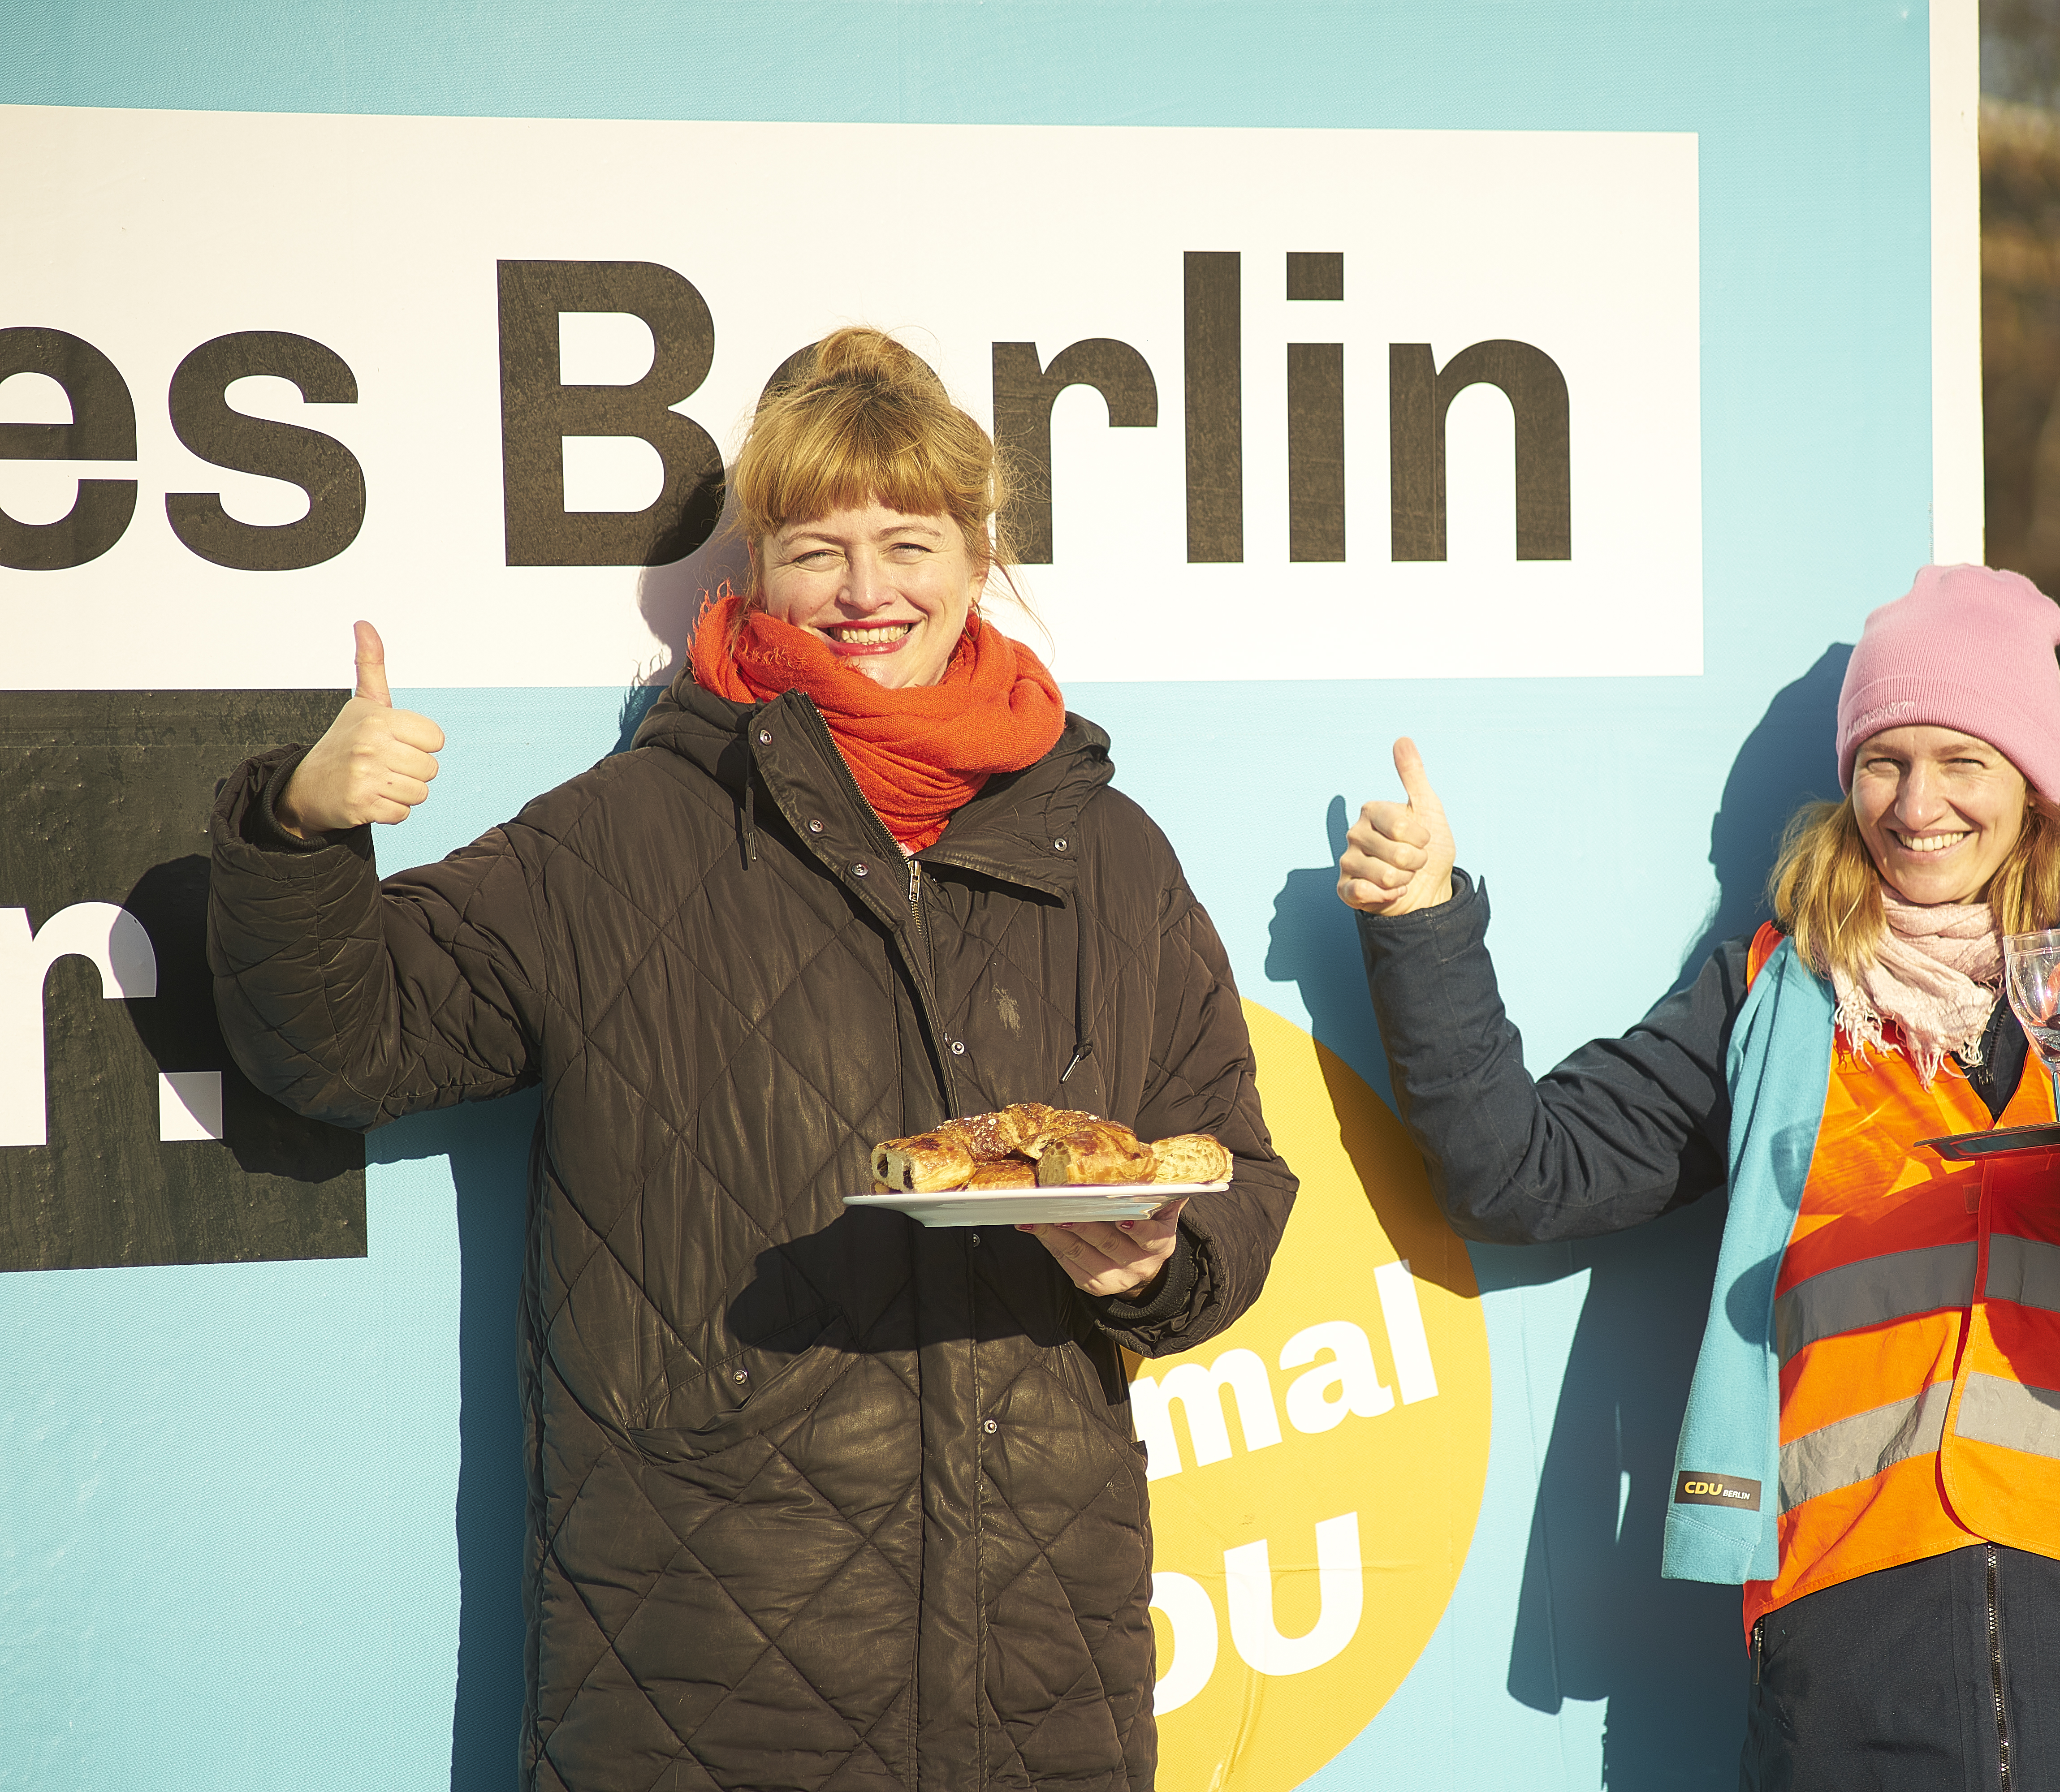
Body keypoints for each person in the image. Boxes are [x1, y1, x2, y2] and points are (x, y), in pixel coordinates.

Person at [208, 327, 1297, 1792]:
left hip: (1043, 1685)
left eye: (909, 542)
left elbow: (1233, 1161)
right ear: (756, 572)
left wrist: (1154, 1267)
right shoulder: (626, 832)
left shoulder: (1103, 847)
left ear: (981, 560)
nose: (865, 592)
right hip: (705, 1679)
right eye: (816, 548)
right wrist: (301, 828)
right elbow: (341, 1044)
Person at [1335, 564, 2060, 1790]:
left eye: (1963, 761)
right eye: (1884, 762)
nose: (1918, 806)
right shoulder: (1775, 994)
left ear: (2032, 779)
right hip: (1857, 1657)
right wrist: (1425, 924)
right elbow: (1523, 1176)